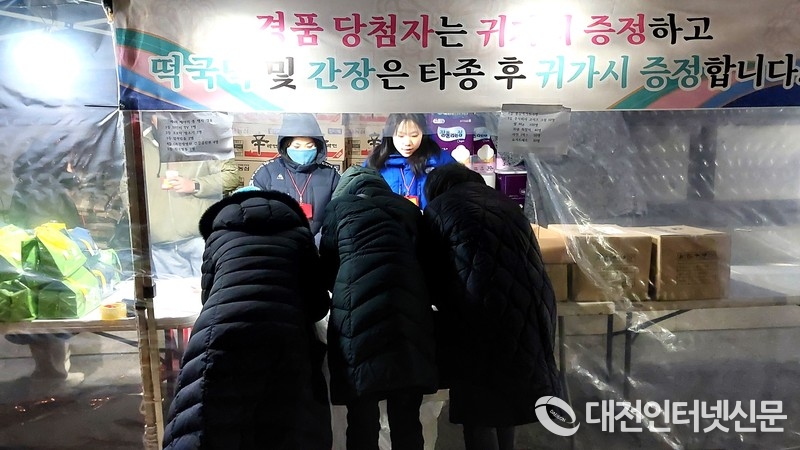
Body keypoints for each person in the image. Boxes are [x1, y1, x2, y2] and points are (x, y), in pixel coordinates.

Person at [163, 187, 332, 450]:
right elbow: (317, 304)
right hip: (284, 337)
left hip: (221, 333)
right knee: (285, 425)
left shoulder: (218, 236)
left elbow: (208, 296)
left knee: (213, 419)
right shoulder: (299, 235)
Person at [419, 164, 562, 450]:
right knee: (506, 397)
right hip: (531, 308)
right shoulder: (506, 204)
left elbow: (431, 272)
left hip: (479, 313)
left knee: (479, 404)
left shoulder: (440, 209)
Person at [319, 165, 437, 450]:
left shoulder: (339, 208)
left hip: (357, 316)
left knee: (362, 416)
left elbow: (328, 267)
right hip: (409, 314)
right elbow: (426, 262)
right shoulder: (407, 209)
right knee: (407, 417)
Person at [5, 144, 84, 388]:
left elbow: (16, 222)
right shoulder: (52, 190)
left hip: (29, 260)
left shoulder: (24, 188)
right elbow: (71, 227)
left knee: (37, 318)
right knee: (56, 314)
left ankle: (45, 370)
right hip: (53, 259)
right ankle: (56, 374)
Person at [123, 112, 239, 279]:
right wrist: (138, 216)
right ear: (152, 118)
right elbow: (125, 184)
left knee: (210, 289)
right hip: (161, 243)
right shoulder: (138, 144)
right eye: (161, 114)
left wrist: (195, 185)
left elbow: (231, 176)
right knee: (173, 293)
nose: (169, 119)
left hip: (200, 237)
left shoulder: (206, 137)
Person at [250, 113, 341, 240]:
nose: (303, 150)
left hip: (322, 245)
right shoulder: (267, 172)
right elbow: (254, 211)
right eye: (297, 146)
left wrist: (322, 239)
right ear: (286, 145)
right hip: (280, 244)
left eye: (309, 146)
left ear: (318, 145)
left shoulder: (330, 174)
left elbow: (340, 211)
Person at [365, 113, 456, 209]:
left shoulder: (441, 161)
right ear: (390, 135)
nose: (407, 143)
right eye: (400, 136)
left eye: (414, 135)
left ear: (424, 134)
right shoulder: (375, 161)